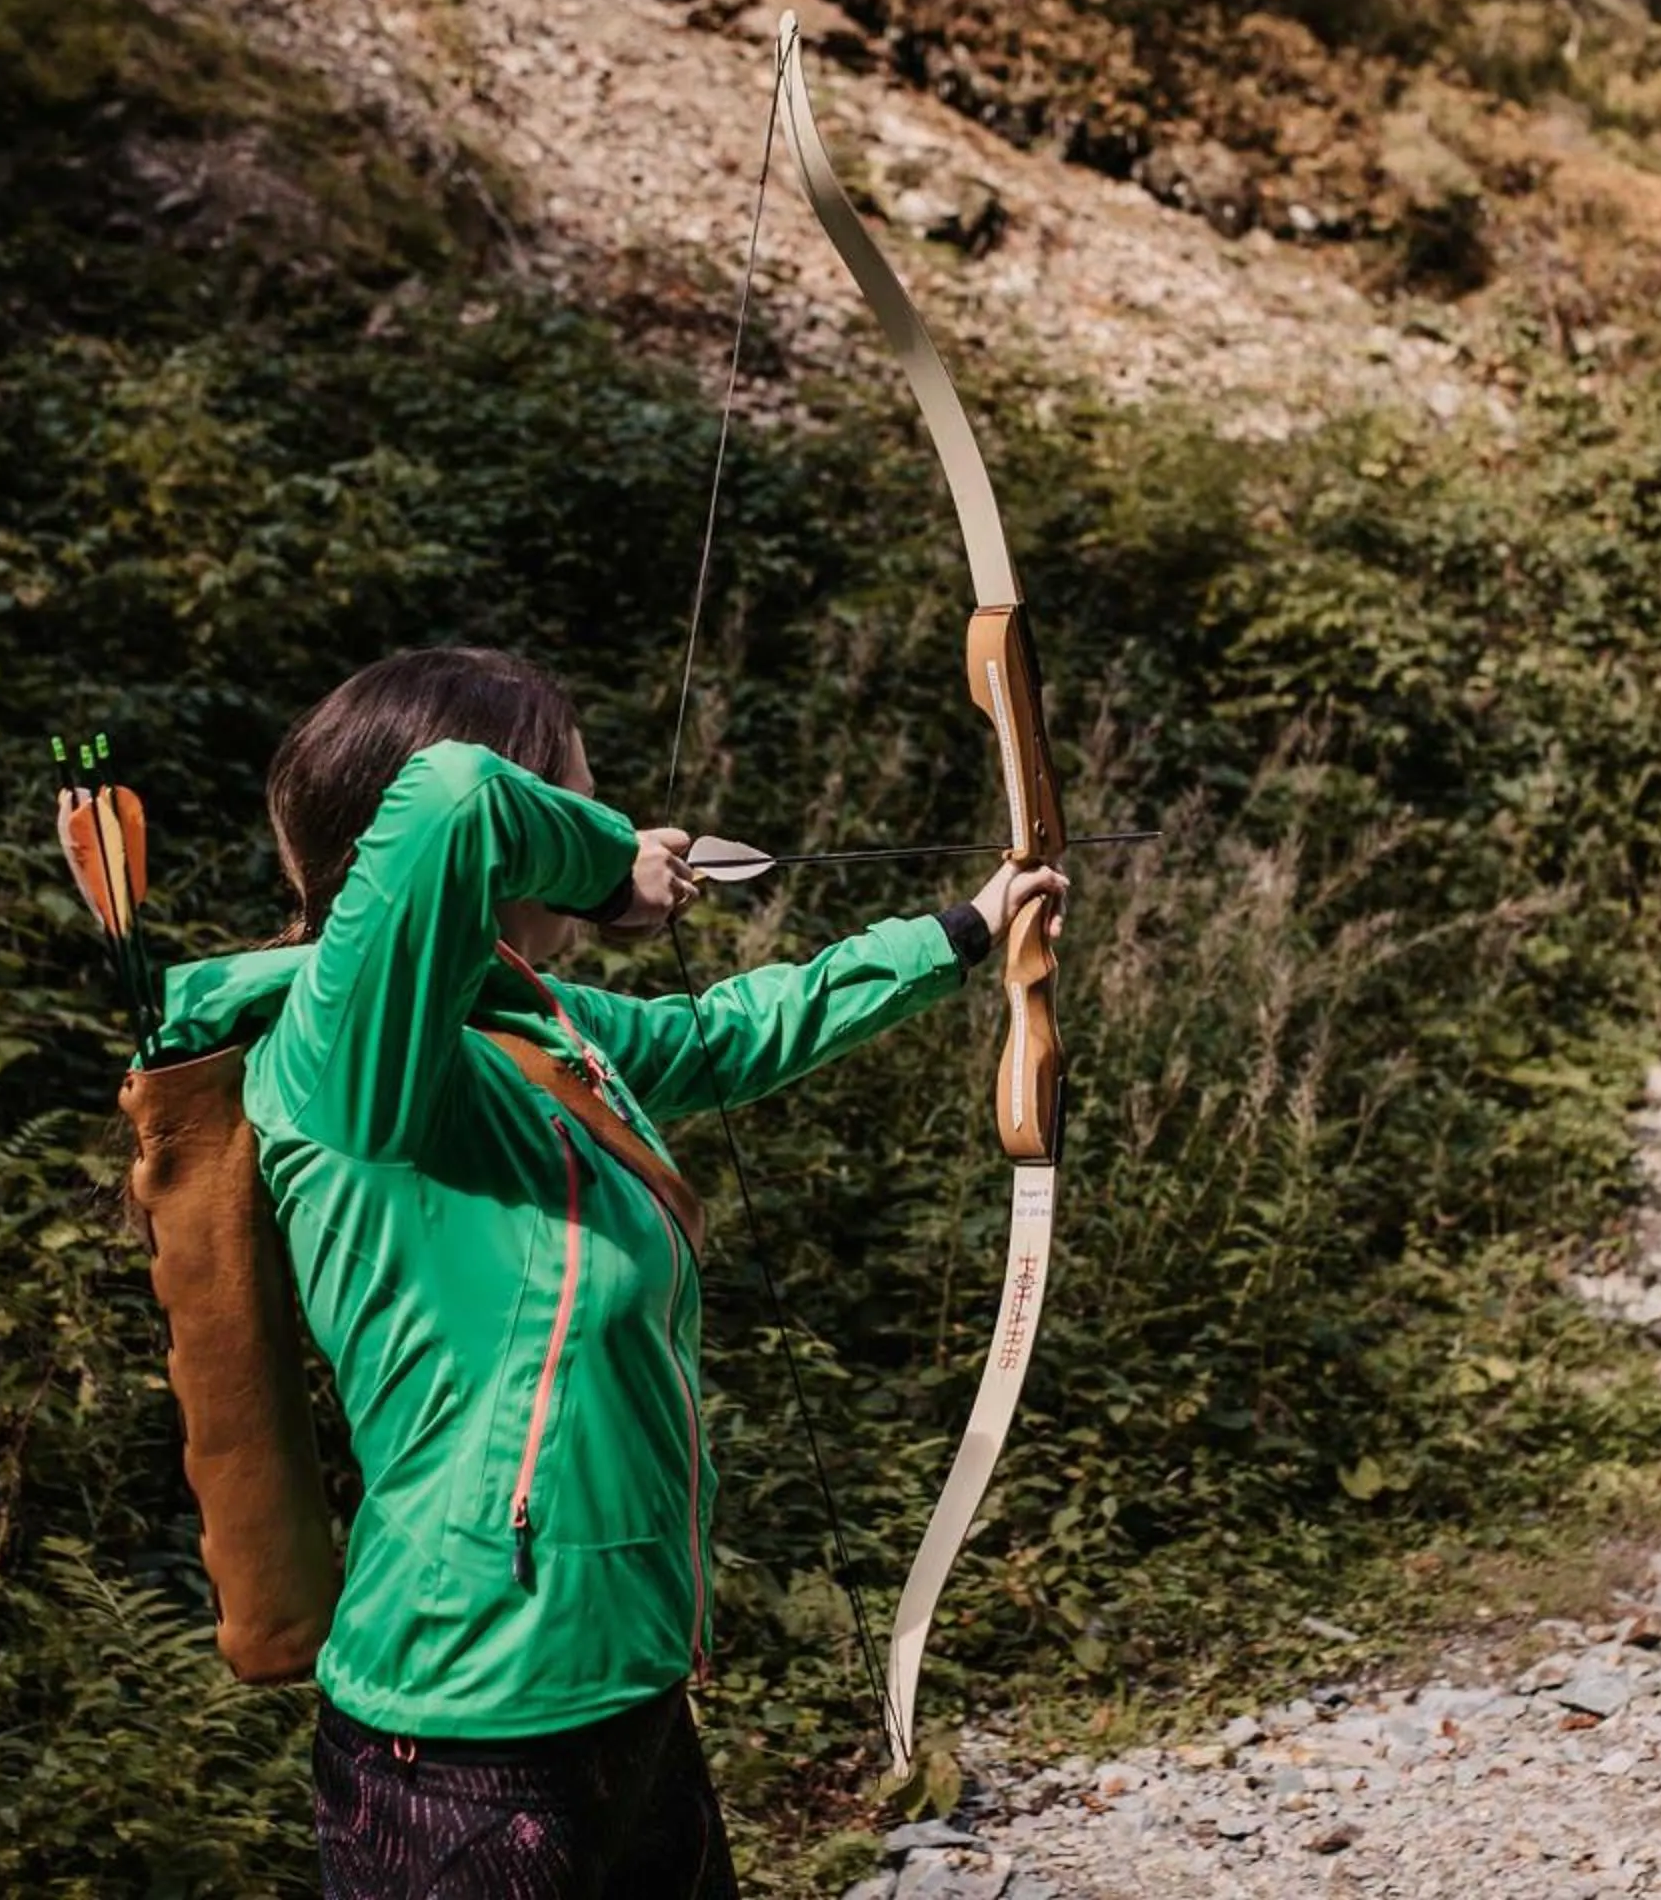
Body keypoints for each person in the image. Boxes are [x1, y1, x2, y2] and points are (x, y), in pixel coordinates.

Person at [149, 647, 1064, 1897]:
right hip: (464, 1739)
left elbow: (726, 1032)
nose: (615, 820)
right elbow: (455, 793)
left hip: (627, 1696)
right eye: (579, 795)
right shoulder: (339, 1062)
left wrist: (961, 930)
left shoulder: (534, 1027)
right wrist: (613, 869)